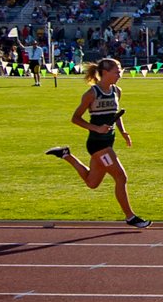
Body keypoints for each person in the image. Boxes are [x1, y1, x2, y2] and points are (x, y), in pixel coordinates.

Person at [47, 55, 149, 227]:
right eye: (117, 71)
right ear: (105, 72)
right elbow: (75, 118)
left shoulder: (117, 91)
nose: (120, 74)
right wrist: (96, 128)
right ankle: (130, 216)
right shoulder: (92, 94)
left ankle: (66, 155)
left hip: (109, 142)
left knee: (92, 183)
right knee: (121, 177)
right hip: (98, 144)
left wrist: (123, 132)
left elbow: (115, 116)